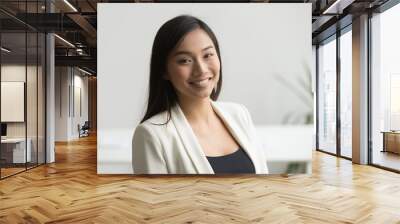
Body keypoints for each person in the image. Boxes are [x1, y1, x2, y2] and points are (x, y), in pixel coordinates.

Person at [132, 15, 268, 174]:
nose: (201, 69)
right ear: (164, 70)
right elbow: (153, 198)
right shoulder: (151, 135)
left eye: (208, 55)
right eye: (184, 60)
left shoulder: (240, 114)